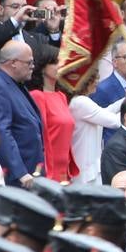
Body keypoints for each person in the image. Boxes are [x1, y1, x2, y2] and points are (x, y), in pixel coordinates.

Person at [0, 39, 44, 187]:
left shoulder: (15, 83)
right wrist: (20, 172)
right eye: (29, 63)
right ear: (13, 63)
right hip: (18, 177)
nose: (33, 67)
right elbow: (2, 131)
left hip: (30, 170)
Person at [28, 43, 75, 181]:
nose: (59, 66)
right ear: (42, 67)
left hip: (64, 170)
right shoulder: (37, 96)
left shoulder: (61, 96)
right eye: (54, 62)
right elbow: (41, 137)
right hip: (49, 170)